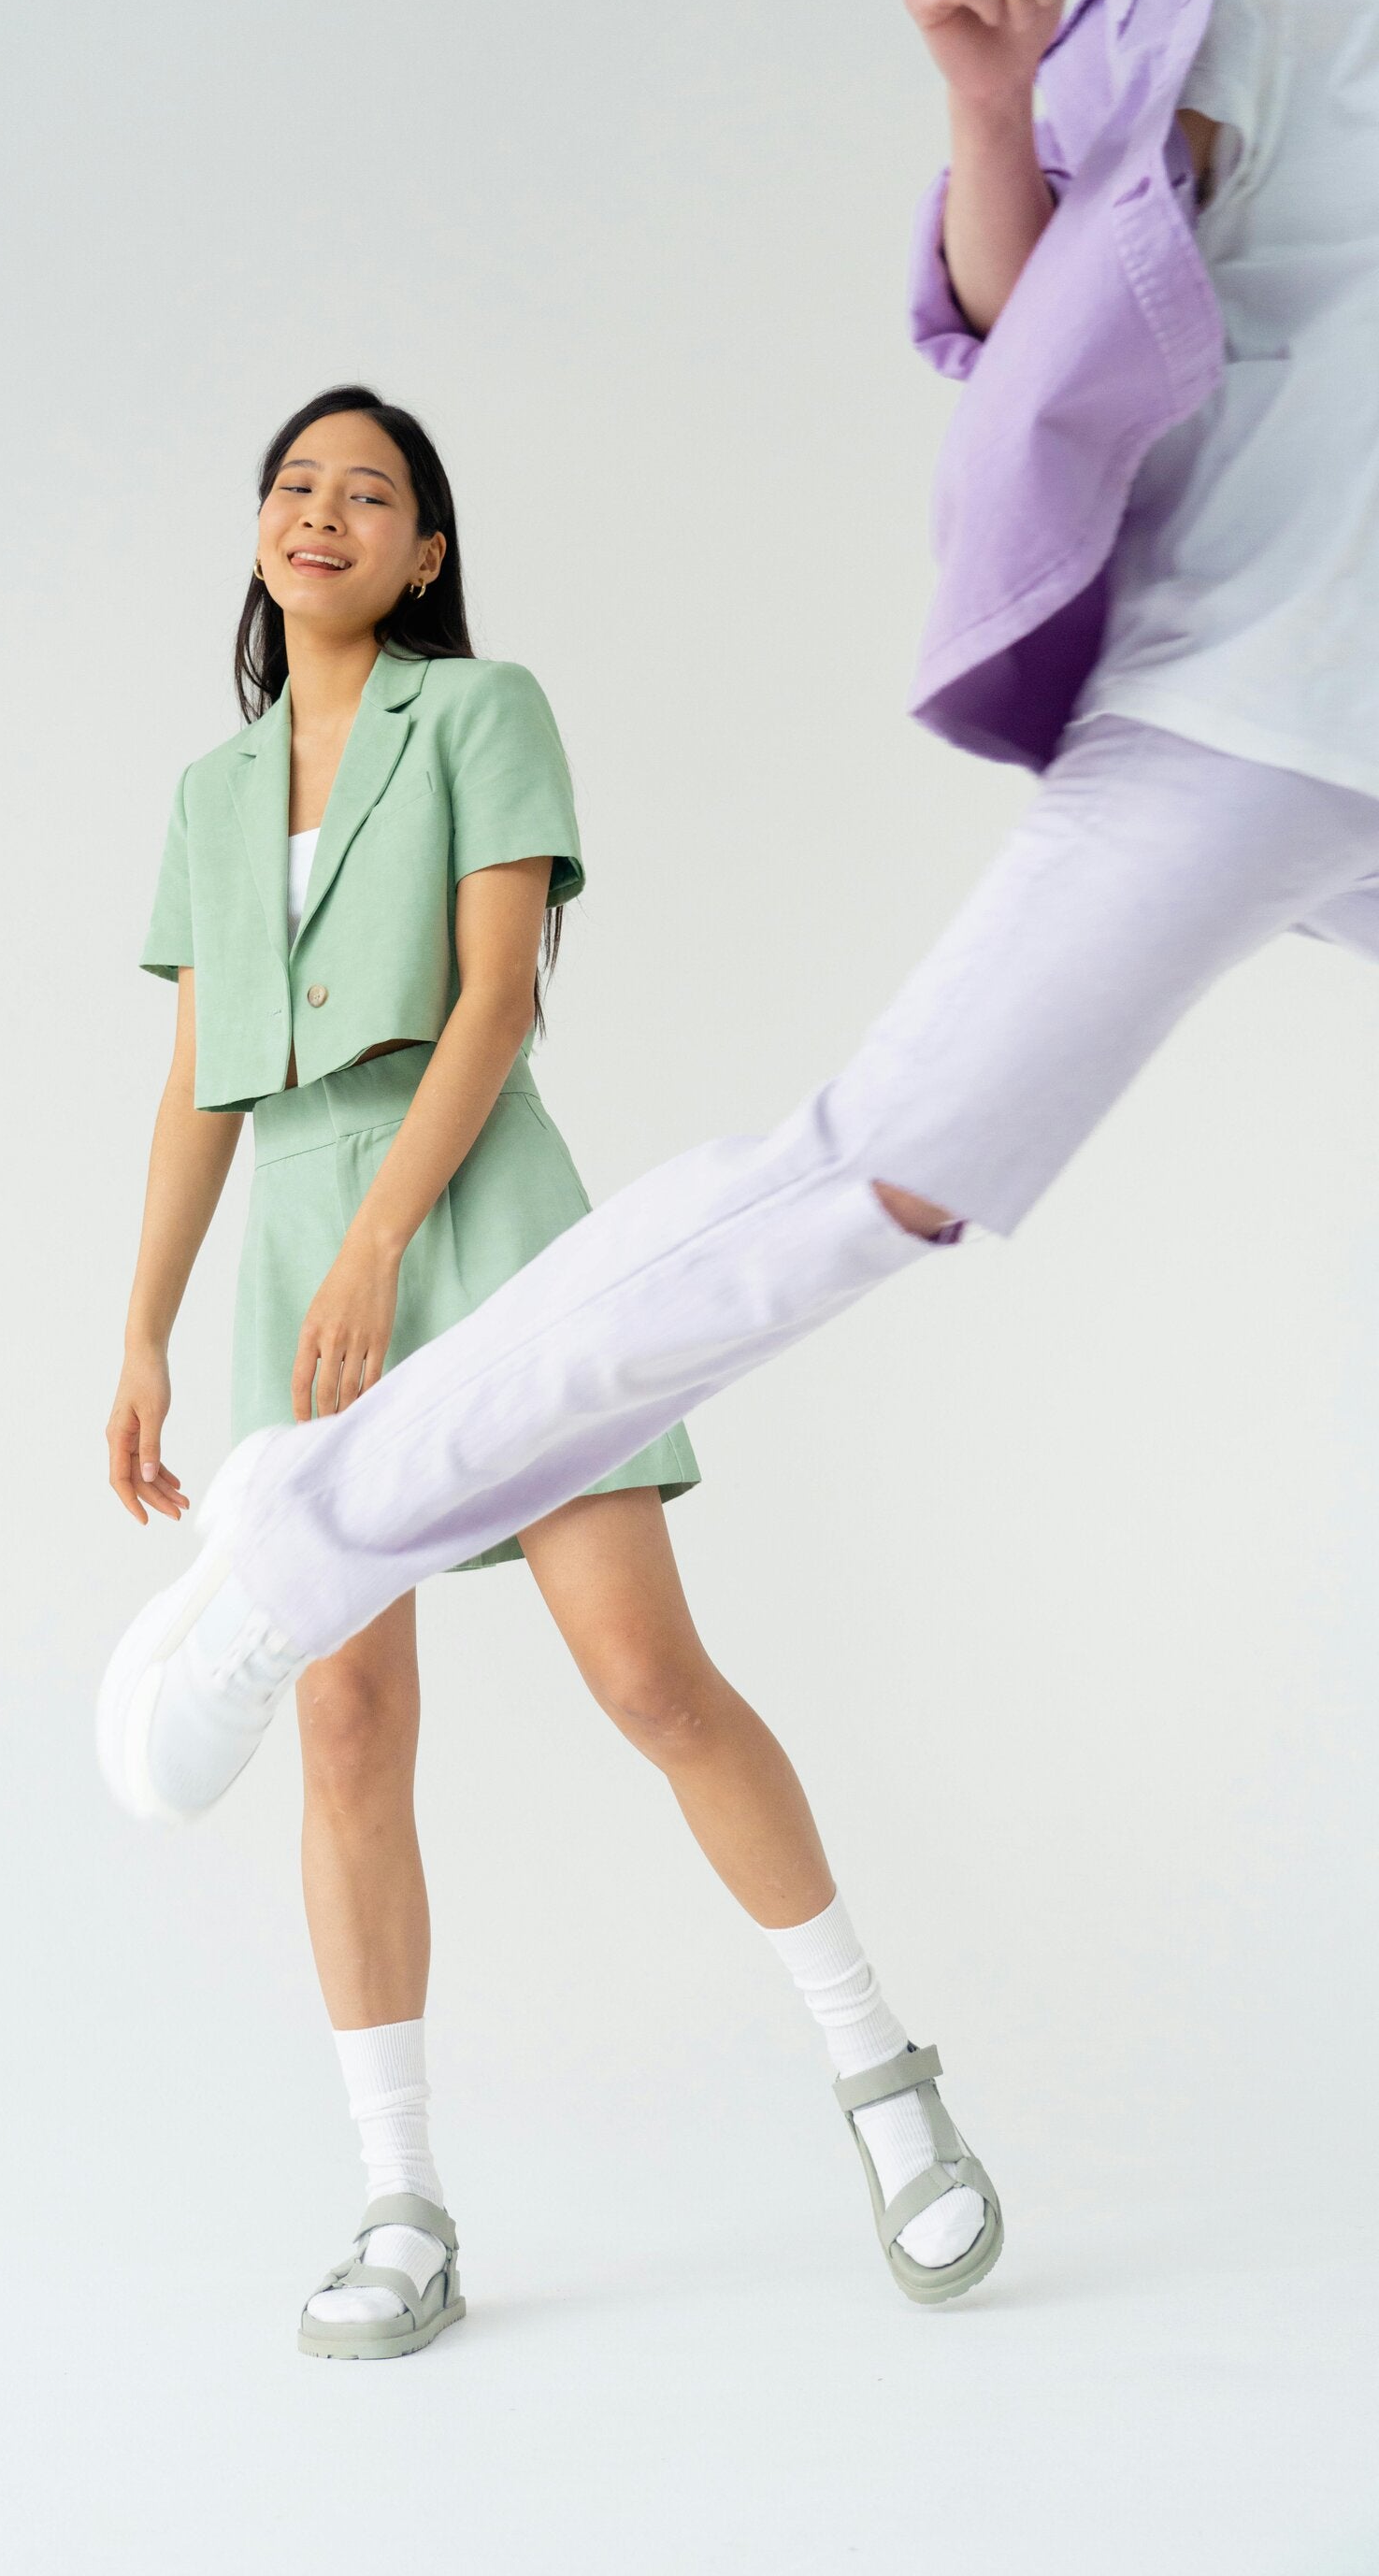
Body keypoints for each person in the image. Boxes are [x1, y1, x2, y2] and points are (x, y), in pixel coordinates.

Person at [99, 385, 1001, 2357]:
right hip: (295, 1257)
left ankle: (882, 2076)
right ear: (259, 531)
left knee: (645, 1673)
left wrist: (382, 1239)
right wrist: (146, 1330)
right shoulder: (206, 796)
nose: (322, 513)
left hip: (483, 1214)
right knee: (344, 1727)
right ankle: (400, 2200)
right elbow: (193, 1087)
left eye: (370, 494)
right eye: (293, 486)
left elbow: (498, 1001)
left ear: (424, 550)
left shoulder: (480, 711)